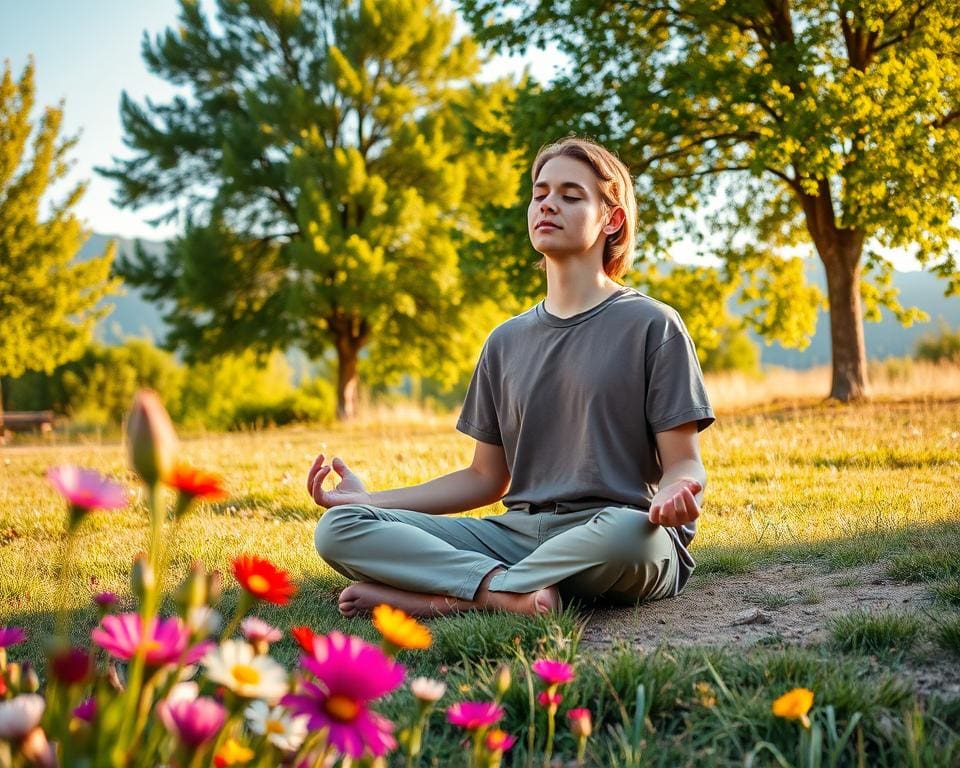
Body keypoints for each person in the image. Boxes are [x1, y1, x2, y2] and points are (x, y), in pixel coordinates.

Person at [307, 137, 714, 618]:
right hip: (516, 535)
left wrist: (674, 490)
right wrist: (370, 500)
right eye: (540, 193)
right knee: (341, 527)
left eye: (570, 194)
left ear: (612, 219)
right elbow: (485, 478)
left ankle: (439, 597)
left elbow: (684, 464)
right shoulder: (505, 340)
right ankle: (500, 594)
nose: (548, 204)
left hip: (612, 534)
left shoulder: (653, 325)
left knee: (628, 536)